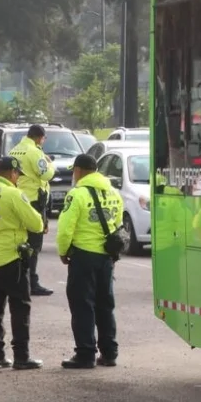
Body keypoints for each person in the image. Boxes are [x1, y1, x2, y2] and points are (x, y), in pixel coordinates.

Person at [0, 156, 44, 370]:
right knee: (20, 308)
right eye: (18, 175)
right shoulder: (13, 194)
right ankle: (22, 357)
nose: (18, 179)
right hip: (12, 258)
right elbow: (37, 224)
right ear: (12, 173)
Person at [56, 153, 123, 369]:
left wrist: (63, 252)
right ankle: (109, 353)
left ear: (78, 170)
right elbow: (118, 222)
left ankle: (85, 354)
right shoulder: (113, 192)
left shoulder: (77, 195)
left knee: (83, 306)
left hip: (83, 256)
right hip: (106, 258)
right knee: (105, 305)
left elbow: (66, 229)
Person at [10, 124, 55, 296]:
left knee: (20, 241)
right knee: (34, 245)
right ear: (39, 137)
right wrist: (50, 164)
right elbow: (47, 174)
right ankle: (31, 282)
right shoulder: (35, 152)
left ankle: (19, 279)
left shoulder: (15, 150)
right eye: (43, 139)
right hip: (34, 201)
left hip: (17, 199)